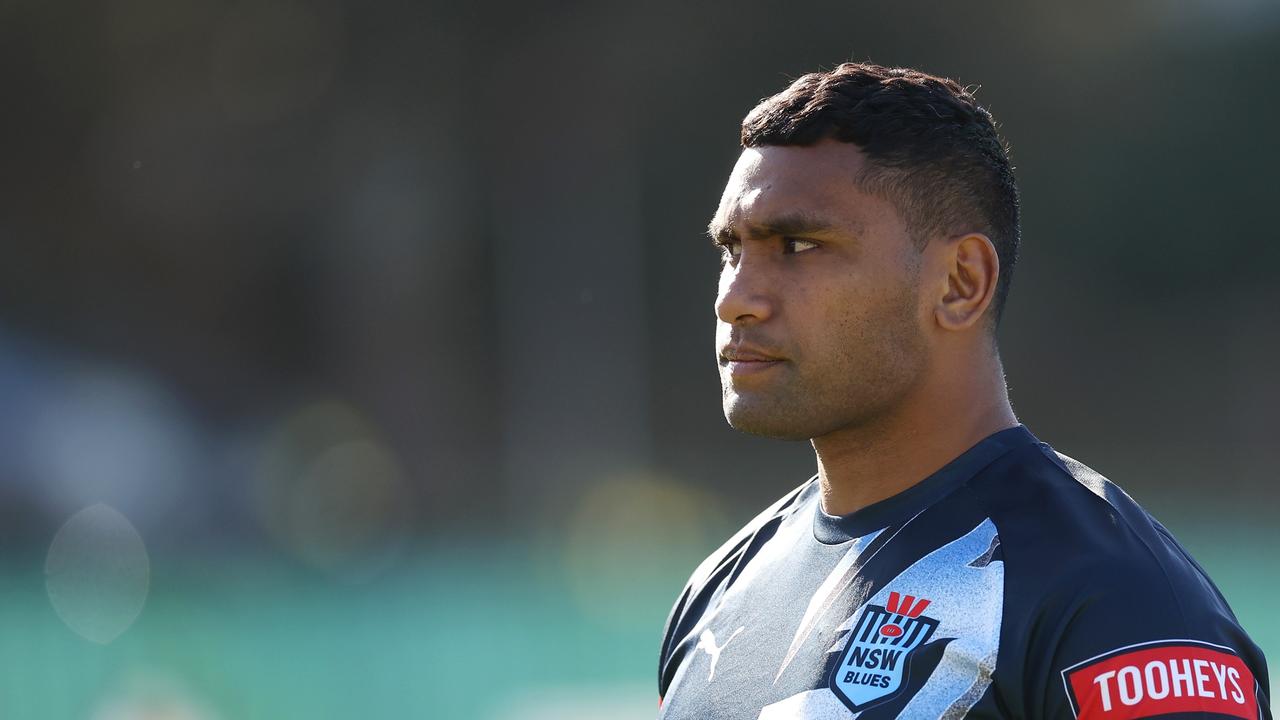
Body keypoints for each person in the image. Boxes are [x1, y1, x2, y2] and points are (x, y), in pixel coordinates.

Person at [656, 62, 1271, 720]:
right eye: (731, 250)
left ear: (959, 283)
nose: (736, 299)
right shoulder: (718, 589)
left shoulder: (1113, 596)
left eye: (797, 245)